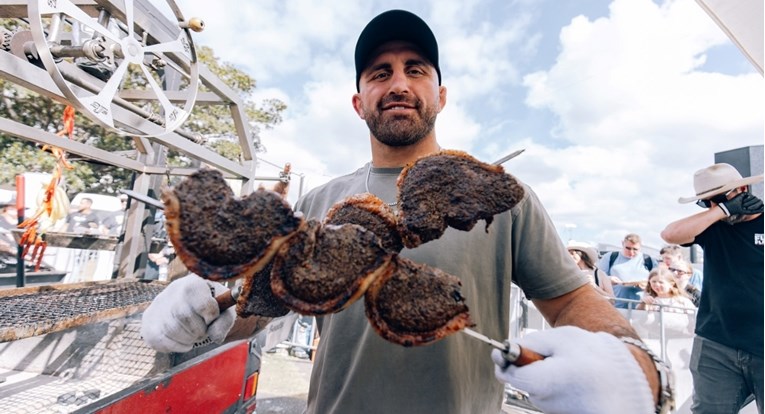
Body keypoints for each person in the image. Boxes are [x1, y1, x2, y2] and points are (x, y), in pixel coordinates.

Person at [141, 10, 668, 414]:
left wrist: (633, 362)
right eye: (379, 73)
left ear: (439, 93)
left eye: (415, 70)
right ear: (358, 101)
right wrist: (210, 310)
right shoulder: (317, 202)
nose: (398, 83)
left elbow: (571, 297)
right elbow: (265, 302)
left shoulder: (501, 197)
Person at [661, 162, 763, 414]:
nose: (713, 206)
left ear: (744, 189)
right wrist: (723, 209)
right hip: (717, 344)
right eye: (706, 202)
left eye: (719, 198)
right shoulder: (713, 225)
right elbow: (670, 234)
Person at [598, 233, 658, 309]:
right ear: (622, 243)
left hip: (641, 308)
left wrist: (648, 284)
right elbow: (598, 278)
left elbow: (659, 280)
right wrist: (608, 279)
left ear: (641, 247)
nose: (631, 252)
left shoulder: (648, 260)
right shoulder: (610, 257)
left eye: (635, 249)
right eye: (628, 248)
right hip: (615, 306)